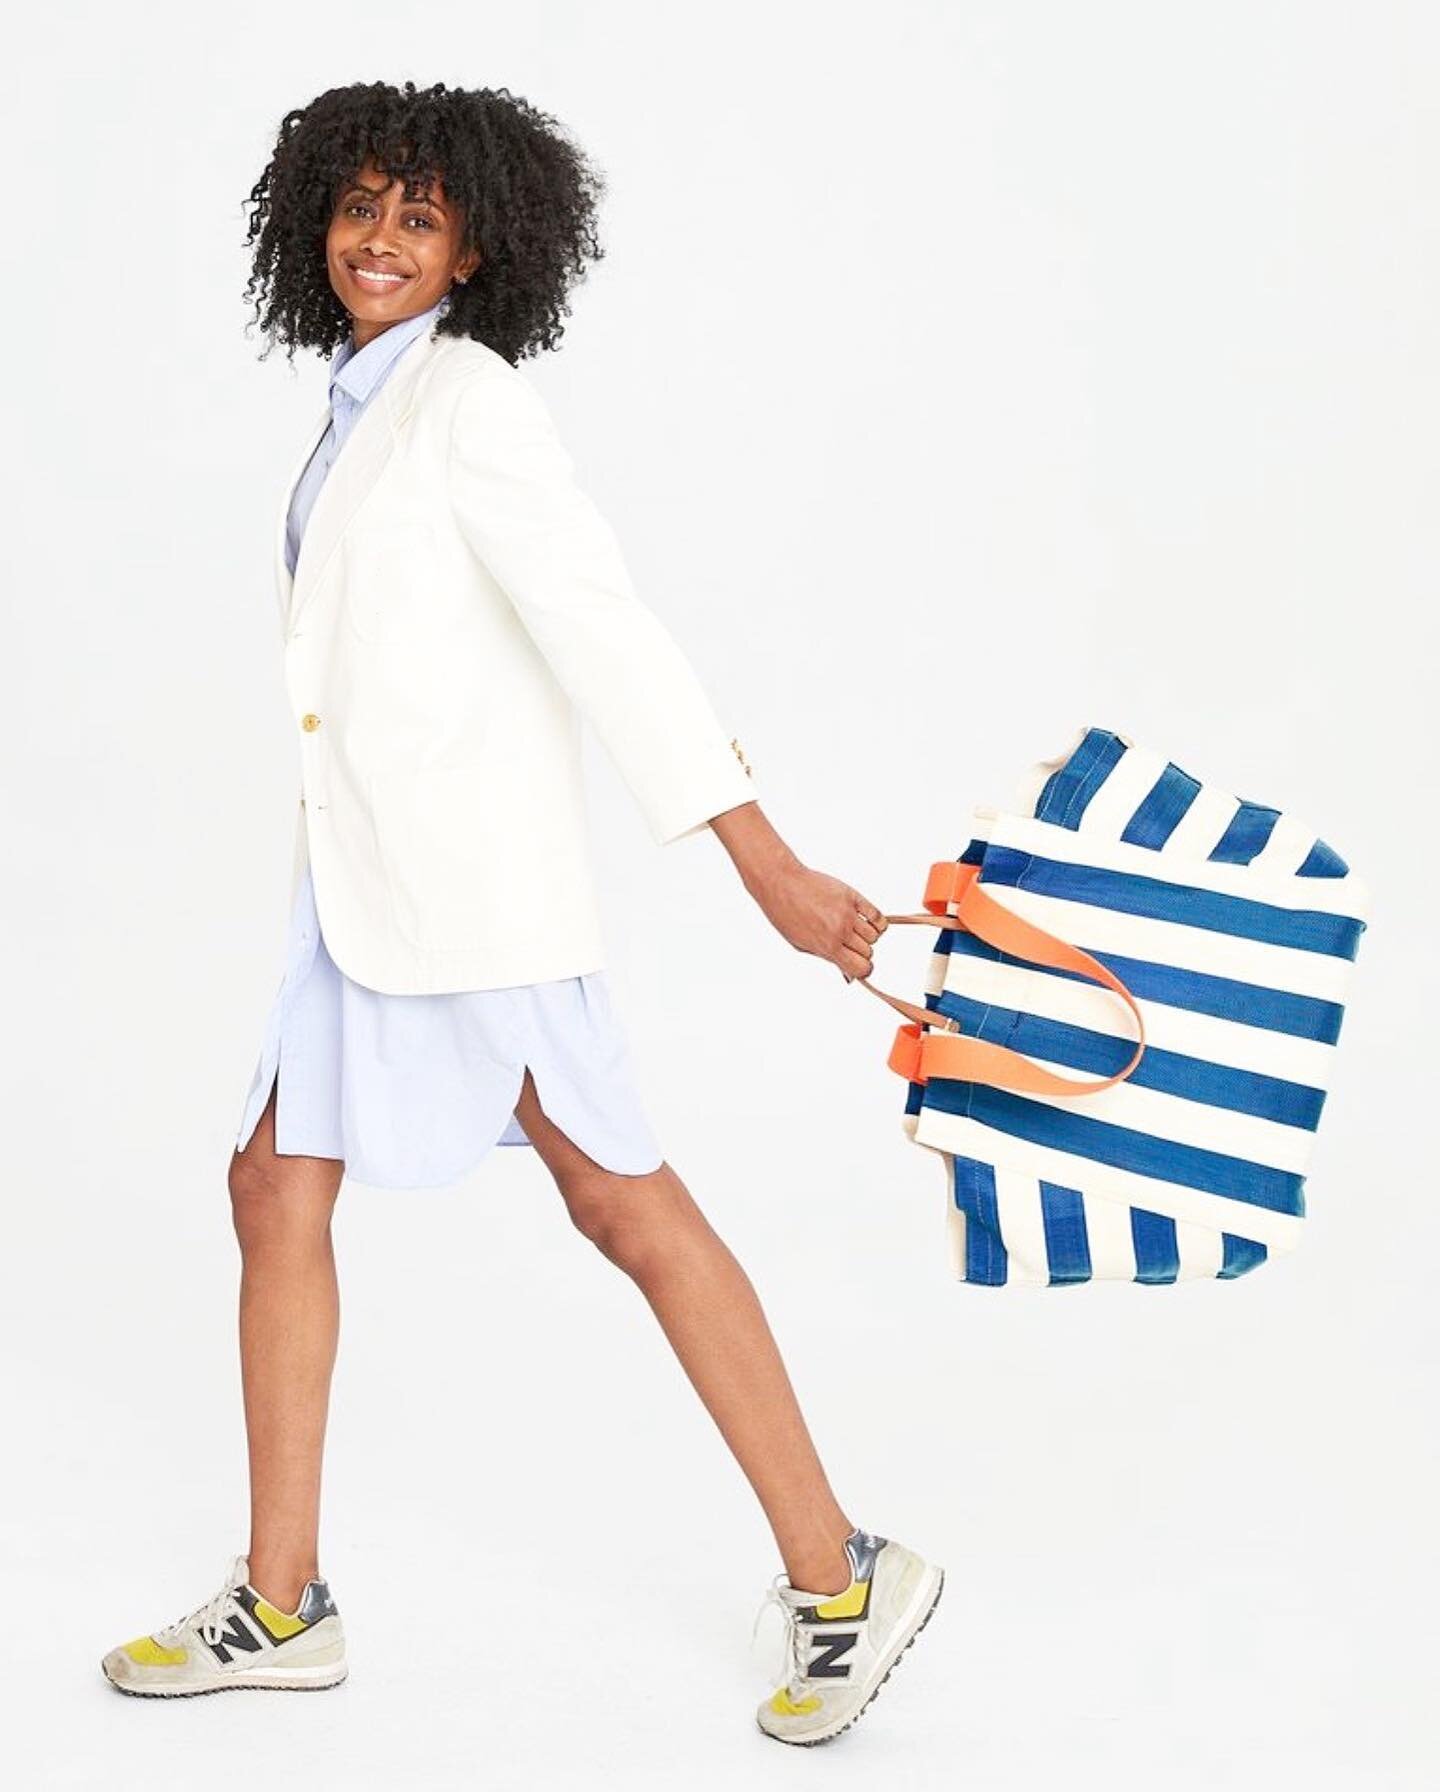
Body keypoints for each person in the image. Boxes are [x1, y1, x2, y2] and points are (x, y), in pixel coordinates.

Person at [99, 80, 943, 1745]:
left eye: (421, 215)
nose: (382, 237)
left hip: (476, 903)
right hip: (365, 893)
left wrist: (759, 858)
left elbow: (603, 630)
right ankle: (286, 1602)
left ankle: (842, 1572)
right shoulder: (360, 408)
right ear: (312, 223)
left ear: (481, 247)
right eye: (360, 206)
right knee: (273, 1183)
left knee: (622, 1207)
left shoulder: (467, 400)